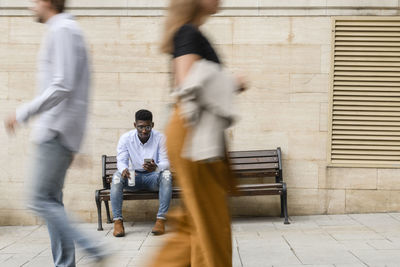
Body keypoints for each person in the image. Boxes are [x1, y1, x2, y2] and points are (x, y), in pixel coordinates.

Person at [4, 0, 107, 266]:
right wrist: (77, 142)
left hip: (54, 130)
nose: (30, 7)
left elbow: (63, 86)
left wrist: (23, 113)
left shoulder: (62, 30)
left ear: (47, 2)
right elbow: (80, 91)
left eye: (33, 1)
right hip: (61, 132)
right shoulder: (68, 30)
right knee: (51, 202)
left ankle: (93, 246)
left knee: (39, 199)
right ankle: (65, 263)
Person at [149, 0, 247, 266]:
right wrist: (232, 82)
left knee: (192, 224)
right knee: (210, 223)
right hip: (193, 134)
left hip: (194, 133)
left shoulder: (188, 32)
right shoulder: (188, 32)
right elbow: (186, 81)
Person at [111, 109, 172, 237]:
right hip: (134, 176)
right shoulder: (126, 138)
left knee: (166, 175)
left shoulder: (160, 138)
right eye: (140, 127)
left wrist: (156, 167)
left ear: (152, 125)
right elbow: (121, 161)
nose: (144, 130)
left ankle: (161, 220)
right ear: (135, 125)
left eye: (147, 127)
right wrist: (124, 170)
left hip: (152, 177)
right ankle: (117, 221)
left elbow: (166, 162)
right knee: (117, 177)